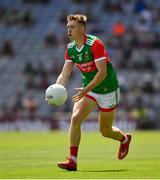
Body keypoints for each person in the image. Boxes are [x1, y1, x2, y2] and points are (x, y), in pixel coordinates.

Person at [56, 14, 131, 171]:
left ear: (82, 29)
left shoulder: (95, 44)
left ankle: (124, 140)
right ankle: (73, 161)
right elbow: (65, 74)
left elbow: (102, 73)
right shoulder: (70, 48)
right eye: (67, 27)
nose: (68, 30)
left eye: (72, 27)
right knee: (75, 118)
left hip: (108, 89)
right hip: (89, 90)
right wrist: (56, 88)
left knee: (105, 131)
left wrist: (85, 90)